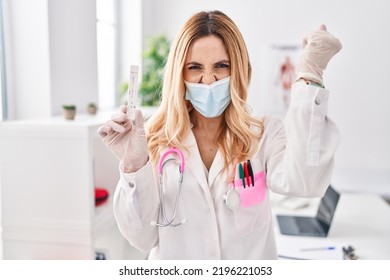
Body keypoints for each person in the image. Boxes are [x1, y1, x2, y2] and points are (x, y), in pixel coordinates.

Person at [97, 10, 342, 259]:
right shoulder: (152, 140)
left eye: (221, 66)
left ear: (238, 70)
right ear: (179, 74)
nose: (208, 79)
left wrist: (310, 75)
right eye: (194, 67)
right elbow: (141, 238)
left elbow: (306, 182)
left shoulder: (264, 134)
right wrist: (133, 163)